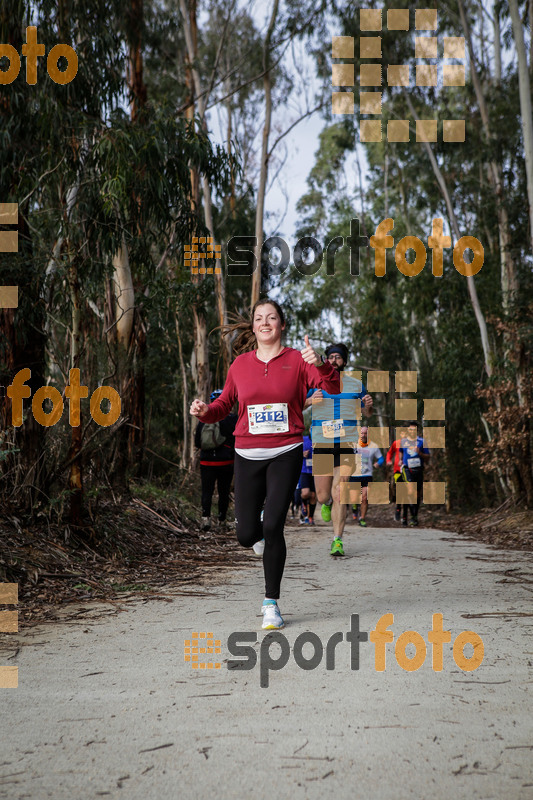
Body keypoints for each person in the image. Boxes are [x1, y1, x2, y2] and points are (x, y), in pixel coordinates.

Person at [189, 298, 340, 630]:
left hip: (285, 450)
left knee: (273, 526)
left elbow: (333, 386)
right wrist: (204, 412)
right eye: (259, 318)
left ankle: (271, 603)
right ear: (254, 326)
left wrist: (324, 365)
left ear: (282, 325)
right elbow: (224, 405)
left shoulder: (299, 361)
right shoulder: (239, 365)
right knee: (246, 535)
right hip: (246, 454)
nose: (265, 322)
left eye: (272, 317)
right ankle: (257, 534)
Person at [304, 343, 373, 557]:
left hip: (346, 443)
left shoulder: (355, 384)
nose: (334, 360)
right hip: (322, 443)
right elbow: (298, 404)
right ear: (326, 359)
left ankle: (337, 540)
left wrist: (368, 405)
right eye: (331, 357)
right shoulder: (316, 382)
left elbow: (367, 412)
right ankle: (325, 504)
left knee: (340, 491)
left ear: (344, 361)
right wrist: (309, 400)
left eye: (338, 357)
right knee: (324, 496)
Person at [194, 390, 237, 530]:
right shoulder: (232, 419)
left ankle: (206, 519)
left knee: (207, 490)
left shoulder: (204, 419)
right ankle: (222, 519)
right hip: (226, 462)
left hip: (207, 462)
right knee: (223, 491)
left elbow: (197, 442)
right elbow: (236, 439)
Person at [349, 425, 384, 527]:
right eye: (362, 433)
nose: (364, 435)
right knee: (354, 497)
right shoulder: (354, 445)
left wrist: (379, 463)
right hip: (354, 475)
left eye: (365, 433)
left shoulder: (374, 446)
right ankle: (354, 507)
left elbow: (381, 458)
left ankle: (362, 518)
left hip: (367, 475)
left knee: (365, 498)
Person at [400, 421, 430, 526]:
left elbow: (428, 457)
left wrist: (420, 453)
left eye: (414, 430)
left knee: (417, 495)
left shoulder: (422, 441)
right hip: (407, 469)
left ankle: (414, 516)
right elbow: (401, 452)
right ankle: (404, 516)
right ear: (408, 430)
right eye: (410, 429)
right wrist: (399, 461)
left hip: (418, 469)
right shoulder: (403, 441)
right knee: (409, 491)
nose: (412, 431)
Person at [386, 425, 407, 523]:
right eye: (402, 433)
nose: (403, 435)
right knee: (400, 490)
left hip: (408, 470)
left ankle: (406, 514)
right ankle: (398, 509)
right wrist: (388, 460)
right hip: (397, 470)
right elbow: (389, 453)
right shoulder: (396, 443)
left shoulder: (411, 443)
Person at [299, 432, 316, 525]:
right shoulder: (303, 439)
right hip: (304, 470)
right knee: (305, 493)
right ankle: (304, 507)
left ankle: (310, 517)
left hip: (317, 471)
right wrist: (302, 454)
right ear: (310, 429)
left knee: (313, 496)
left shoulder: (321, 441)